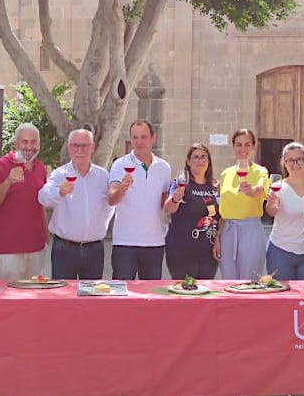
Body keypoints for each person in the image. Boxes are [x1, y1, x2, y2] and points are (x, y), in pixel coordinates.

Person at [40, 129, 115, 279]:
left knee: (91, 296)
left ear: (92, 147)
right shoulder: (60, 174)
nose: (80, 150)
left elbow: (111, 204)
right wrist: (59, 192)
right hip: (64, 249)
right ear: (69, 148)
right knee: (63, 297)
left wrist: (101, 225)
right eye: (75, 146)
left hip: (94, 249)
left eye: (84, 146)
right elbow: (43, 197)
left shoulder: (103, 176)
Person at [108, 120, 173, 280]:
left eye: (143, 137)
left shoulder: (164, 167)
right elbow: (111, 199)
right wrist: (122, 187)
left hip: (154, 243)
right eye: (135, 137)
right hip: (125, 243)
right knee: (122, 294)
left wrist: (176, 198)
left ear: (153, 138)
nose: (139, 142)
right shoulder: (119, 165)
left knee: (150, 297)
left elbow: (164, 203)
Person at [0, 123, 48, 280]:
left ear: (38, 144)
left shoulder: (40, 168)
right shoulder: (1, 165)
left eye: (33, 142)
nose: (29, 147)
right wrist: (7, 182)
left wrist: (46, 237)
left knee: (33, 299)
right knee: (10, 300)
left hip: (36, 248)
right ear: (15, 144)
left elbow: (41, 205)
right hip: (8, 250)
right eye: (24, 142)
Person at [216, 128, 269, 280]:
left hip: (250, 230)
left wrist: (251, 190)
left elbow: (260, 190)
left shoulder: (261, 171)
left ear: (254, 147)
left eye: (247, 144)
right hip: (228, 231)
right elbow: (223, 210)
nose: (243, 149)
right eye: (238, 145)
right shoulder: (225, 173)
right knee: (229, 281)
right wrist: (218, 237)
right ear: (233, 147)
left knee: (249, 281)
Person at [264, 142, 304, 281]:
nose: (295, 164)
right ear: (284, 163)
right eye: (290, 160)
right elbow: (271, 211)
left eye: (299, 159)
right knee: (283, 296)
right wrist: (271, 205)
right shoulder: (278, 187)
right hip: (280, 251)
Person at [164, 143, 221, 280]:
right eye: (195, 157)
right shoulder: (180, 183)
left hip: (208, 252)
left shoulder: (216, 186)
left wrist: (218, 238)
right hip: (181, 251)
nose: (199, 161)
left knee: (205, 293)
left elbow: (221, 216)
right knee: (185, 294)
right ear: (188, 162)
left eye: (203, 157)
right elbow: (168, 208)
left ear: (208, 162)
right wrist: (176, 198)